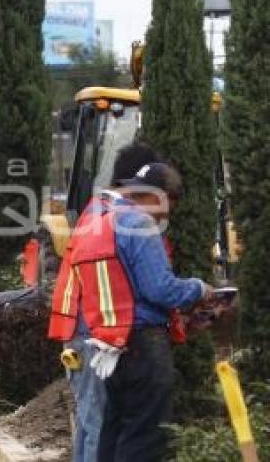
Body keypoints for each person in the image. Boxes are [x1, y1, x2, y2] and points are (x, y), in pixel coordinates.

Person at [52, 162, 214, 461]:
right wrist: (199, 289)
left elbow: (123, 290)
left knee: (102, 430)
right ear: (159, 196)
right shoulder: (138, 223)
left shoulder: (98, 220)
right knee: (142, 435)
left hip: (105, 340)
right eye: (170, 204)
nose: (167, 214)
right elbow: (159, 289)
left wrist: (182, 322)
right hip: (137, 345)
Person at [48, 141, 162, 462]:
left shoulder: (96, 210)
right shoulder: (114, 218)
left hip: (79, 328)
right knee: (98, 423)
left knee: (89, 422)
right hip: (90, 332)